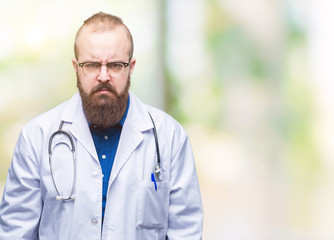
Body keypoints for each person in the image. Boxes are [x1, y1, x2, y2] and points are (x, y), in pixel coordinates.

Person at [0, 12, 203, 239]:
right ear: (76, 67)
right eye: (92, 65)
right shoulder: (36, 137)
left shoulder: (170, 137)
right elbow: (15, 233)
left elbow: (186, 232)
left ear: (131, 67)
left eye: (115, 65)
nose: (104, 76)